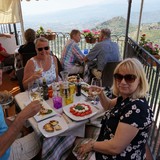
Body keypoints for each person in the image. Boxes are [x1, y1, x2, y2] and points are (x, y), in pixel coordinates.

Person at [76, 58, 153, 160]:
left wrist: (91, 145)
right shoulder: (127, 97)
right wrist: (101, 93)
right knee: (80, 131)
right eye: (119, 77)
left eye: (130, 78)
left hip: (118, 155)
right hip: (108, 137)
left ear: (139, 81)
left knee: (75, 141)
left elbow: (115, 148)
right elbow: (108, 105)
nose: (123, 82)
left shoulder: (137, 108)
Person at [0, 67, 42, 159]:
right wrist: (21, 118)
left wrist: (20, 127)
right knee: (42, 135)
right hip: (7, 153)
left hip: (4, 133)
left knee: (31, 124)